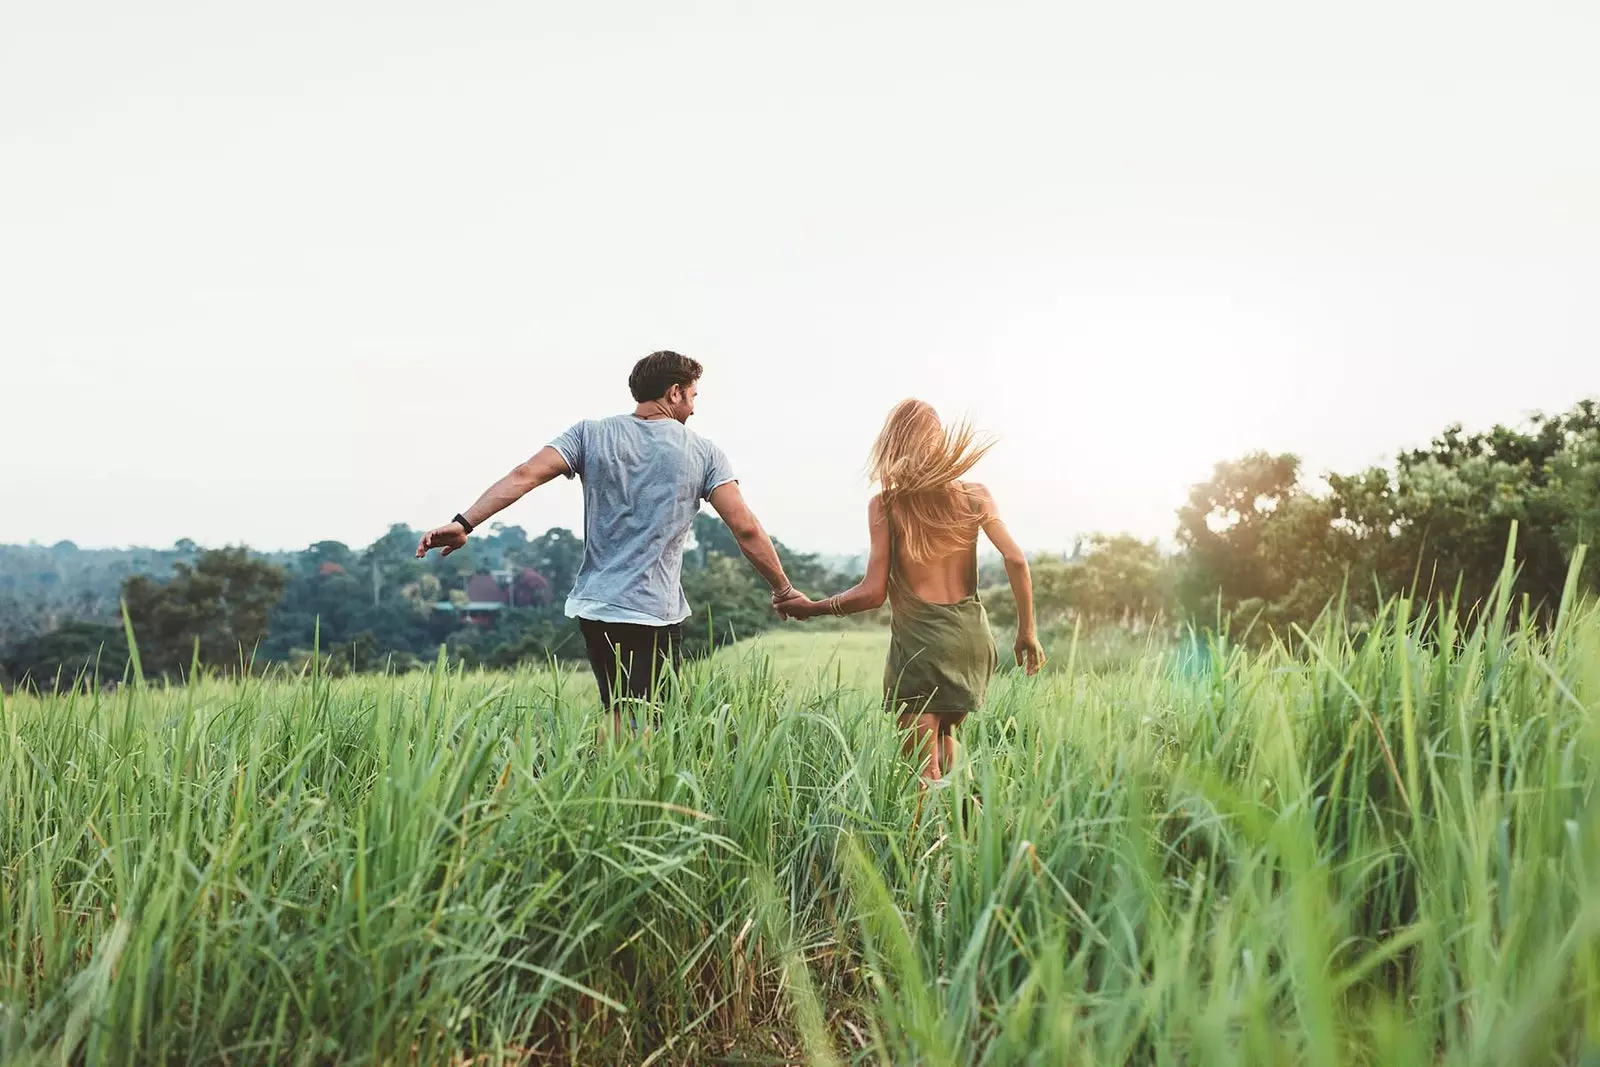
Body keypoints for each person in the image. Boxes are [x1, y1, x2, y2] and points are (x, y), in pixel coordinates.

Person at [416, 351, 805, 733]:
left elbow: (524, 475)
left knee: (619, 712)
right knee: (649, 722)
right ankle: (628, 793)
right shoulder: (704, 453)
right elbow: (746, 527)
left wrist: (463, 522)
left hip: (596, 607)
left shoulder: (590, 433)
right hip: (651, 611)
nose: (694, 408)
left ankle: (607, 789)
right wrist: (783, 589)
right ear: (674, 392)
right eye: (693, 395)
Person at [778, 399, 1044, 783]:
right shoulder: (976, 494)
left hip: (923, 646)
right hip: (972, 642)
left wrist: (813, 607)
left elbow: (872, 593)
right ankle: (971, 831)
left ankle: (930, 841)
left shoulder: (888, 504)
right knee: (945, 742)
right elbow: (1017, 560)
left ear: (894, 444)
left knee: (921, 777)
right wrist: (1026, 632)